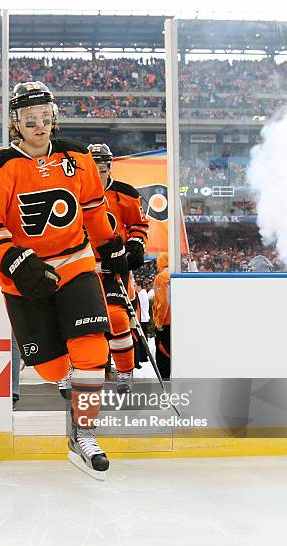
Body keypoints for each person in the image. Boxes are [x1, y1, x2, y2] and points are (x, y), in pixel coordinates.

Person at [0, 81, 128, 479]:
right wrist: (12, 262)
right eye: (29, 119)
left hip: (75, 264)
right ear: (15, 124)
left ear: (54, 117)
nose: (39, 125)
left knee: (91, 350)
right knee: (51, 368)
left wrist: (110, 243)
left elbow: (92, 206)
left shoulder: (78, 156)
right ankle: (68, 384)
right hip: (27, 276)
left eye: (44, 117)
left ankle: (84, 433)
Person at [88, 143, 149, 393]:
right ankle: (75, 370)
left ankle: (125, 372)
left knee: (116, 318)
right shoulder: (69, 193)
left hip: (115, 264)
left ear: (109, 168)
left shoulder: (125, 194)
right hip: (80, 266)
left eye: (101, 170)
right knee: (76, 321)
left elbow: (138, 225)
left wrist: (135, 245)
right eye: (92, 170)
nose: (97, 176)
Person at [153, 252, 170, 380]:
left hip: (166, 323)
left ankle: (165, 385)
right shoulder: (176, 274)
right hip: (177, 322)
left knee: (163, 356)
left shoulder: (162, 277)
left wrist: (159, 322)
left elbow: (163, 302)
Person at [135, 279, 151, 363]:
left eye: (135, 286)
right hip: (144, 318)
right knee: (143, 338)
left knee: (142, 339)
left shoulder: (141, 294)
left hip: (142, 318)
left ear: (139, 286)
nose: (134, 288)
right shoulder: (143, 293)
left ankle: (143, 356)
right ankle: (143, 355)